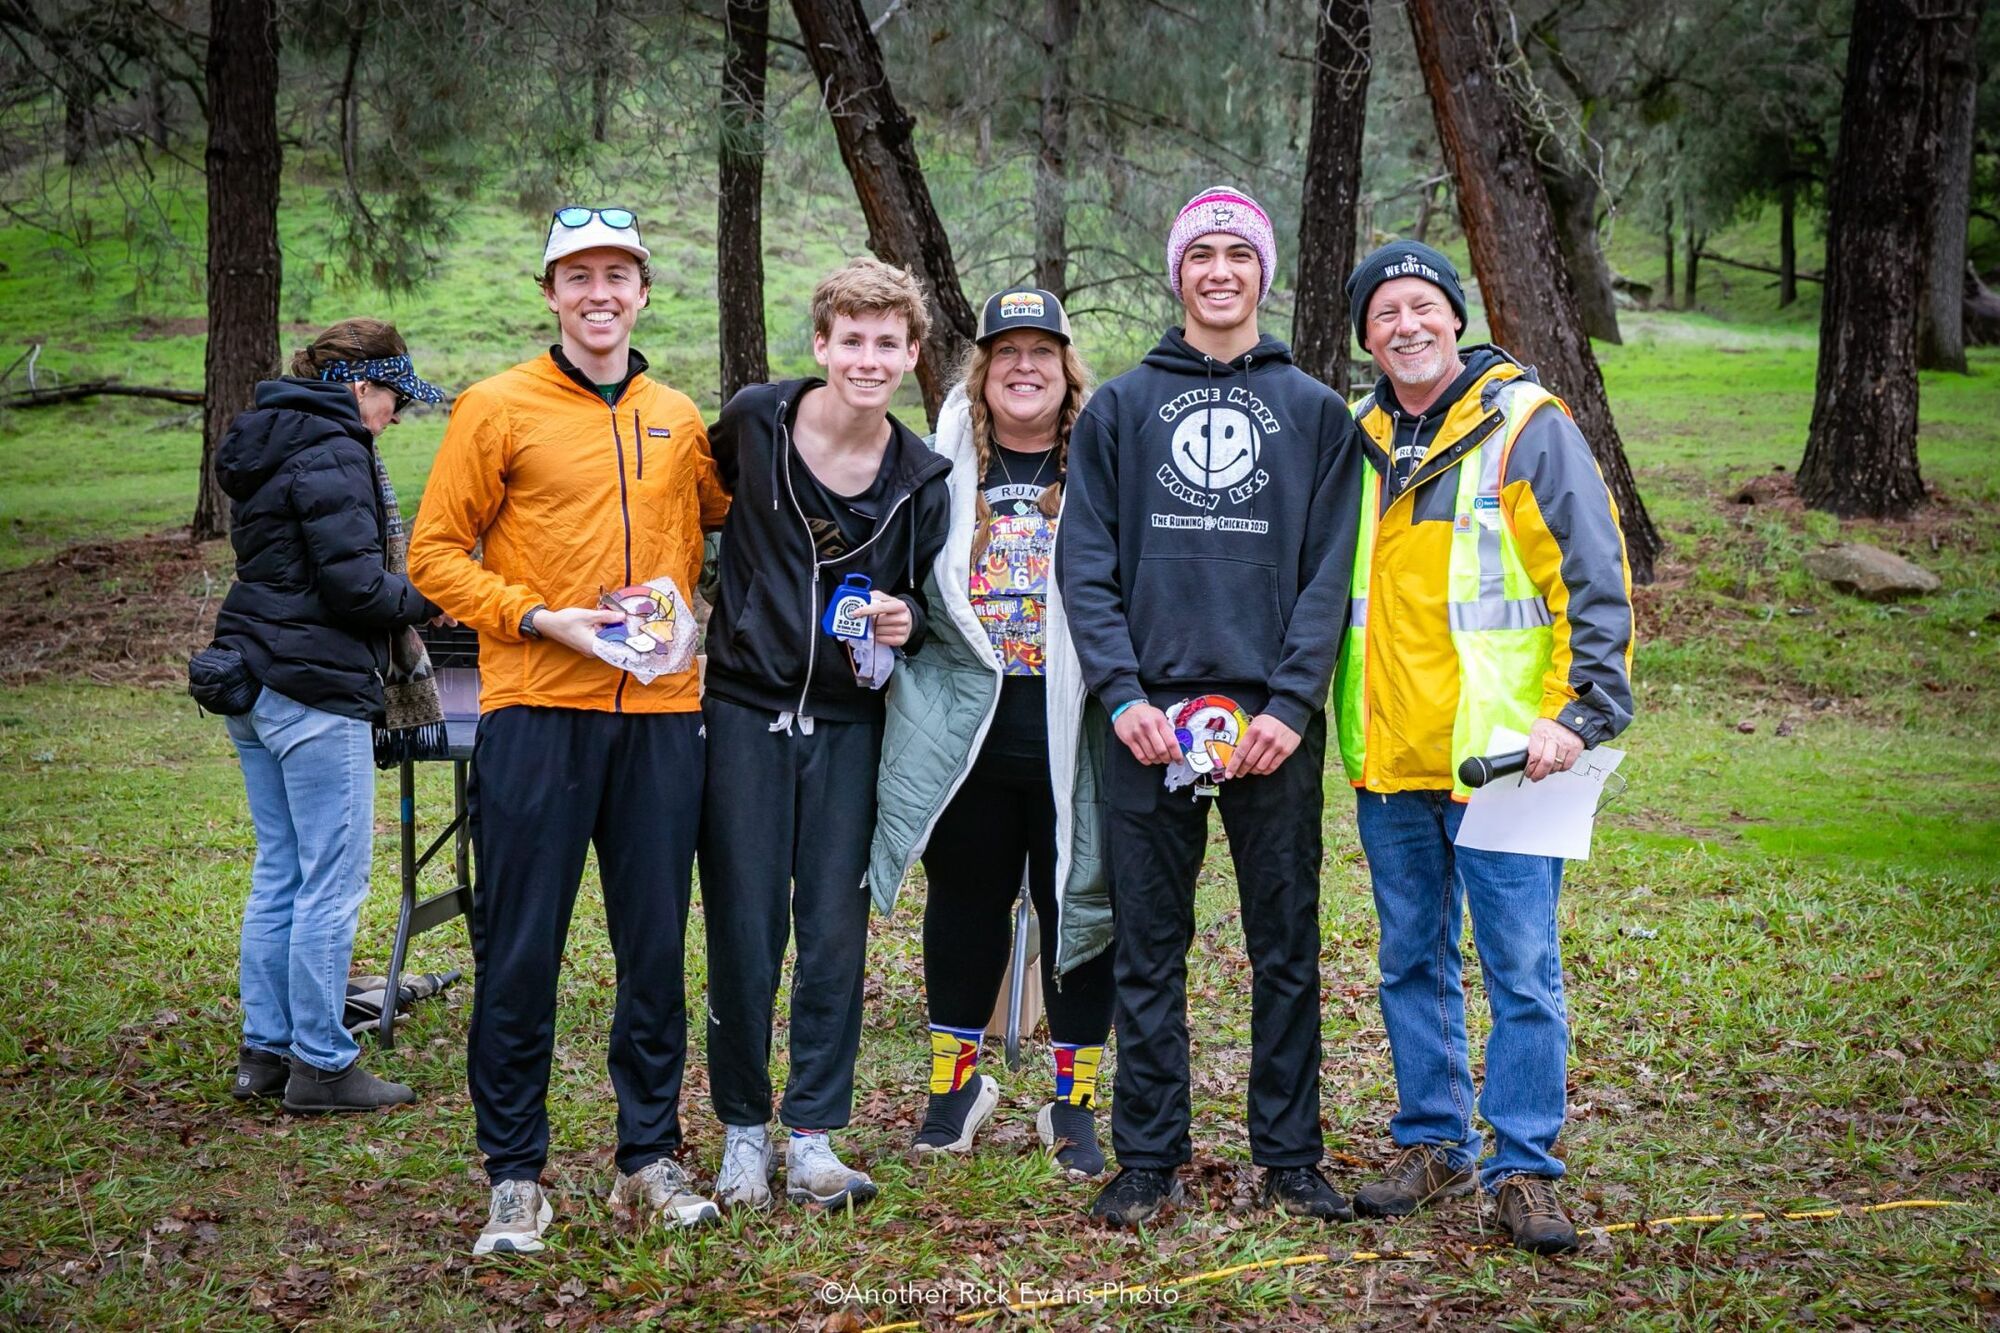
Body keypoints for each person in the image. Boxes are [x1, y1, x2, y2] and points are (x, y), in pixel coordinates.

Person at [407, 207, 730, 1255]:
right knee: (521, 951)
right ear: (550, 293)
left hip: (661, 721)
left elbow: (724, 523)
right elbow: (434, 555)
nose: (599, 293)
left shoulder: (679, 415)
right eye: (578, 276)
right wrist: (539, 615)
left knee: (652, 947)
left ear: (642, 292)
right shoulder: (496, 407)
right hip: (538, 711)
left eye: (618, 275)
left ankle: (647, 1155)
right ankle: (515, 1175)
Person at [1057, 186, 1362, 1227]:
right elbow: (1085, 561)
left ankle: (1290, 1155)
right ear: (1176, 272)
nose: (1219, 270)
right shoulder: (1119, 407)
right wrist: (1121, 693)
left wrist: (1290, 703)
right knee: (1147, 946)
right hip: (1146, 724)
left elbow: (1329, 571)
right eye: (1201, 255)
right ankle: (1147, 1156)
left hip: (1273, 728)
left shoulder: (1316, 410)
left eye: (1239, 253)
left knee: (1285, 946)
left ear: (1262, 272)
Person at [1334, 240, 1635, 1254]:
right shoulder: (1358, 435)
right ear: (1364, 337)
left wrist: (1580, 711)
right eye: (1384, 314)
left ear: (1452, 317)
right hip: (1391, 759)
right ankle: (1432, 1140)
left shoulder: (1523, 426)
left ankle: (1522, 1169)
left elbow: (1592, 576)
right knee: (1409, 961)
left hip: (1512, 758)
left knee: (1518, 968)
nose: (1405, 325)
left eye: (1422, 306)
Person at [700, 258, 952, 1212]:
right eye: (852, 338)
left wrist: (904, 623)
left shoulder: (922, 476)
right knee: (744, 926)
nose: (869, 357)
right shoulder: (757, 419)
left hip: (851, 726)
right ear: (821, 345)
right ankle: (740, 1132)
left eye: (888, 342)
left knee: (835, 933)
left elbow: (932, 610)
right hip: (743, 712)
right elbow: (695, 507)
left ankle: (812, 1135)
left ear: (912, 354)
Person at [866, 287, 1117, 1179]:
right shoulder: (941, 466)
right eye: (1005, 351)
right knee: (964, 902)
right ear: (981, 369)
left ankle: (1074, 1100)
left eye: (1040, 352)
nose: (1022, 366)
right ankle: (957, 1087)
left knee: (1078, 903)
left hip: (1073, 724)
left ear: (1065, 368)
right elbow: (897, 571)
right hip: (969, 725)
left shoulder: (1101, 457)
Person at [208, 318, 444, 1114]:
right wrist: (436, 597)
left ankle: (265, 1051)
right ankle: (321, 1063)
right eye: (393, 399)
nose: (396, 417)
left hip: (255, 678)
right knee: (330, 883)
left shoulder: (271, 438)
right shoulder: (337, 448)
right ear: (360, 385)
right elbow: (356, 590)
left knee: (280, 871)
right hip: (313, 687)